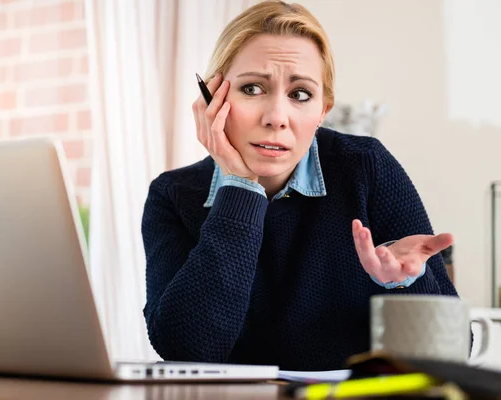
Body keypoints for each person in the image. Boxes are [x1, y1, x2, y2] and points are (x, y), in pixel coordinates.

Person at [141, 0, 457, 371]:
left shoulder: (365, 166)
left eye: (300, 95)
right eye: (253, 88)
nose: (277, 117)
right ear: (213, 97)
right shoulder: (172, 195)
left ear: (323, 110)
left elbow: (452, 354)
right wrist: (240, 187)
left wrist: (404, 283)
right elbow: (187, 351)